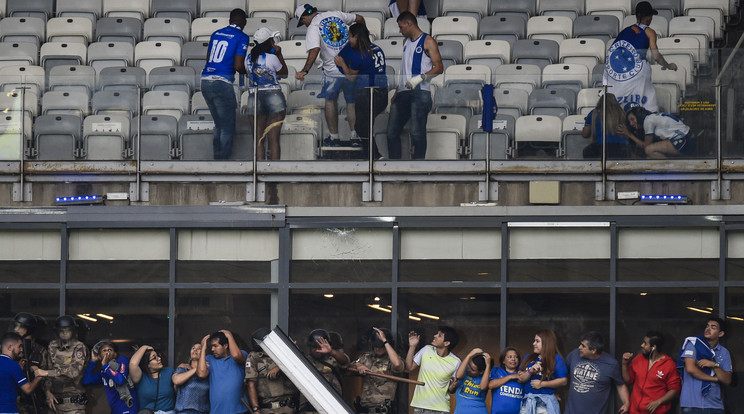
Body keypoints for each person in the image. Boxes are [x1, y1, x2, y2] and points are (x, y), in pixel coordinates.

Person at [294, 4, 365, 147]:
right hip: (350, 69)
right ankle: (354, 136)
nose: (304, 24)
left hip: (332, 72)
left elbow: (314, 50)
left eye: (302, 22)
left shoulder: (313, 27)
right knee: (351, 103)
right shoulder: (336, 14)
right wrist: (364, 42)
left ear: (304, 18)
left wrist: (305, 70)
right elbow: (360, 18)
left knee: (330, 102)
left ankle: (334, 138)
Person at [386, 11, 443, 160]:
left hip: (420, 92)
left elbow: (439, 67)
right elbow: (404, 68)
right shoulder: (405, 42)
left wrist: (421, 78)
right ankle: (394, 165)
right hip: (403, 93)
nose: (400, 31)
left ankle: (418, 164)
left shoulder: (428, 40)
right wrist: (397, 91)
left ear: (409, 23)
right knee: (392, 132)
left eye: (401, 27)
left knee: (417, 132)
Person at [603, 1, 677, 112]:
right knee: (646, 108)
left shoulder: (624, 31)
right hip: (636, 78)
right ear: (648, 18)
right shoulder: (649, 32)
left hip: (615, 79)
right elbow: (656, 56)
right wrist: (668, 65)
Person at [201, 8, 250, 160]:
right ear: (244, 22)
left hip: (205, 80)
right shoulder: (242, 37)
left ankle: (216, 159)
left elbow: (208, 58)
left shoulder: (216, 33)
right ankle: (223, 163)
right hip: (222, 82)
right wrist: (247, 73)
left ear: (230, 20)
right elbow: (238, 65)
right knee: (227, 126)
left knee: (219, 124)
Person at [334, 22, 389, 157]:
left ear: (357, 37)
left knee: (361, 126)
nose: (349, 40)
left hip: (368, 95)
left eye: (350, 37)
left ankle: (374, 155)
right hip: (382, 93)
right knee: (366, 125)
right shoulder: (377, 49)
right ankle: (371, 155)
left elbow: (351, 77)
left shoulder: (359, 55)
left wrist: (342, 64)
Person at [245, 27, 288, 161]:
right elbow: (284, 73)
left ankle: (259, 174)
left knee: (258, 140)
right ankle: (274, 175)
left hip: (255, 96)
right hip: (273, 95)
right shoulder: (272, 58)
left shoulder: (248, 59)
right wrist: (279, 54)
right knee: (274, 140)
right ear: (269, 41)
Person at [564, 331, 629, 414]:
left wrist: (626, 403)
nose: (579, 347)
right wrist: (552, 393)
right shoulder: (574, 354)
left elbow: (620, 385)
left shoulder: (611, 364)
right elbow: (560, 373)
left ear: (593, 350)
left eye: (583, 346)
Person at [677, 318, 732, 414]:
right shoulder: (693, 344)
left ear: (720, 334)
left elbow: (727, 380)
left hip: (715, 405)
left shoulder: (724, 352)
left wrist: (714, 365)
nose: (708, 329)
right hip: (692, 404)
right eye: (707, 326)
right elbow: (691, 369)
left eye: (713, 327)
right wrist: (714, 379)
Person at [621, 331, 680, 414]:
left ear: (653, 347)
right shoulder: (638, 358)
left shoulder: (669, 365)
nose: (642, 345)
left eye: (645, 343)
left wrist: (659, 402)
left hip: (656, 412)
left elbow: (674, 390)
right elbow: (628, 380)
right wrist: (624, 364)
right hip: (635, 411)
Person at [405, 327, 461, 414]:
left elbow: (451, 389)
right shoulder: (427, 349)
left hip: (441, 409)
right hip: (420, 406)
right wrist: (412, 346)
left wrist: (454, 385)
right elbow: (409, 367)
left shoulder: (456, 362)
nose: (435, 336)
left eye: (439, 335)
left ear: (446, 343)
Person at [349, 328, 404, 414]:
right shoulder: (366, 357)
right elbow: (348, 368)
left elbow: (397, 364)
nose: (378, 348)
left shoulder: (392, 360)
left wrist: (385, 341)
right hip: (365, 409)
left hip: (382, 410)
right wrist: (358, 365)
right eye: (375, 345)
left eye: (381, 346)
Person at [245, 328, 298, 414]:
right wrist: (256, 409)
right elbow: (251, 385)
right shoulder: (254, 357)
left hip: (289, 407)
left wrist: (279, 367)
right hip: (268, 409)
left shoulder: (284, 354)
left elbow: (299, 368)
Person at [42, 315, 89, 414]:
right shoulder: (52, 346)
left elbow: (74, 372)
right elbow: (49, 368)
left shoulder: (79, 347)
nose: (65, 333)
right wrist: (47, 391)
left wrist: (46, 373)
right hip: (55, 402)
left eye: (68, 330)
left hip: (74, 404)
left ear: (73, 331)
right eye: (61, 330)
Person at [197, 330, 248, 414]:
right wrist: (203, 348)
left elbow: (236, 356)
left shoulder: (241, 354)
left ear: (225, 345)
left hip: (240, 410)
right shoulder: (210, 359)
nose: (212, 349)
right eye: (211, 346)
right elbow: (201, 374)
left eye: (215, 346)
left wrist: (229, 335)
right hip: (217, 411)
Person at [516, 330, 567, 414]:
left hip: (544, 403)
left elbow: (563, 381)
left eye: (537, 341)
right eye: (534, 341)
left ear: (546, 343)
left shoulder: (556, 359)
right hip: (527, 402)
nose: (533, 343)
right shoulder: (529, 357)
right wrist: (530, 371)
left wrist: (542, 384)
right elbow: (520, 379)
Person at [299, 329, 350, 413]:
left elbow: (345, 361)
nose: (317, 350)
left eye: (319, 347)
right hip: (309, 409)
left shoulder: (333, 360)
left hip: (331, 408)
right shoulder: (304, 361)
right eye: (314, 347)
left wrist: (331, 351)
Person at [83, 341, 139, 414]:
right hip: (115, 410)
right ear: (100, 356)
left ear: (115, 354)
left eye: (110, 350)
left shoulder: (122, 360)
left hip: (128, 408)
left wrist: (105, 366)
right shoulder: (104, 372)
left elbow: (120, 380)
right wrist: (93, 361)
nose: (107, 352)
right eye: (104, 350)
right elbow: (87, 380)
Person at [620, 105, 697, 158]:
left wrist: (629, 134)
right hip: (687, 139)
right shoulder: (651, 117)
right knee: (650, 157)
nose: (631, 123)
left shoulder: (648, 120)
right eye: (629, 122)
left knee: (649, 150)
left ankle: (669, 169)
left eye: (632, 119)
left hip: (684, 141)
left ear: (638, 115)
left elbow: (645, 146)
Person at [0, 332, 48, 414]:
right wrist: (39, 375)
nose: (21, 350)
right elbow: (28, 389)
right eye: (20, 346)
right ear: (10, 347)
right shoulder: (13, 366)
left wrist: (19, 369)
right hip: (8, 410)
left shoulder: (14, 366)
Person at [9, 312, 47, 414]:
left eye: (19, 326)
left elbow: (46, 379)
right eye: (15, 326)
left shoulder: (40, 351)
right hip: (14, 401)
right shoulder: (10, 349)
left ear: (28, 328)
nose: (16, 329)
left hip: (35, 403)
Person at [581, 93, 631, 159]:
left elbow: (585, 134)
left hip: (601, 146)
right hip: (622, 147)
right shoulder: (622, 113)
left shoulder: (593, 113)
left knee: (587, 152)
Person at [129, 345, 176, 414]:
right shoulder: (140, 377)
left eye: (158, 356)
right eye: (154, 358)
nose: (159, 358)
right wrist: (144, 347)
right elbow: (133, 364)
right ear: (147, 364)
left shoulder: (169, 372)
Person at [448, 348, 491, 414]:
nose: (469, 369)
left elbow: (483, 387)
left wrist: (488, 365)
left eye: (473, 369)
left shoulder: (484, 377)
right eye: (469, 366)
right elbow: (458, 376)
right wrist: (470, 355)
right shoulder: (464, 373)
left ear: (481, 372)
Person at [172, 343, 209, 414]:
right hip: (184, 411)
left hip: (203, 412)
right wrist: (196, 369)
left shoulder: (207, 371)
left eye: (199, 349)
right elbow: (176, 380)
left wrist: (202, 368)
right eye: (193, 348)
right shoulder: (184, 367)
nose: (195, 350)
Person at [488, 347, 523, 414]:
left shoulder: (522, 375)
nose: (513, 359)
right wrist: (510, 377)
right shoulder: (497, 370)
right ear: (503, 361)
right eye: (510, 357)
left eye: (516, 357)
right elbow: (491, 385)